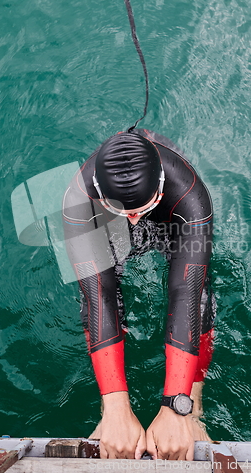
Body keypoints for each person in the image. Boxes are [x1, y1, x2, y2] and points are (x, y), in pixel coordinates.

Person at [62, 128, 216, 461]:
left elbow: (185, 294)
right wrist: (116, 405)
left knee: (199, 293)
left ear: (159, 187)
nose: (134, 219)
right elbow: (98, 295)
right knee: (98, 294)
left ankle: (195, 405)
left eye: (140, 209)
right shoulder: (76, 200)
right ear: (100, 193)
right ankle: (113, 411)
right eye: (125, 212)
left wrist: (178, 406)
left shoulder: (191, 194)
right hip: (103, 216)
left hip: (172, 213)